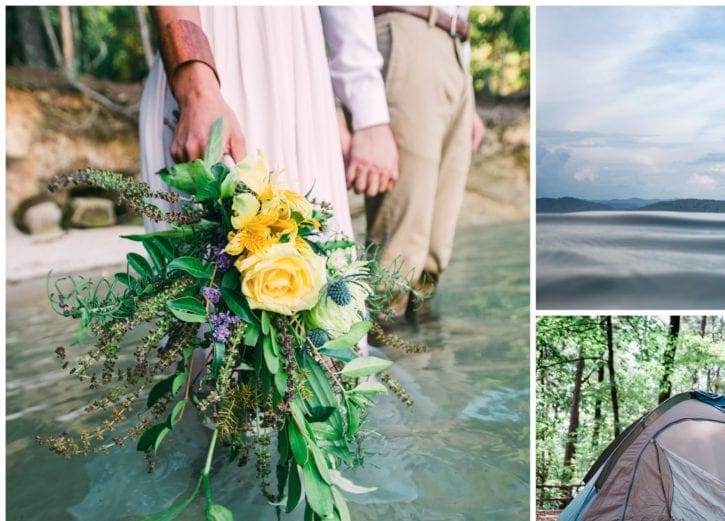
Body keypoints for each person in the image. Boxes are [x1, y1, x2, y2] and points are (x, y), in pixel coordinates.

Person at [139, 6, 398, 237]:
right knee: (213, 269)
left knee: (318, 265)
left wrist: (342, 110)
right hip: (210, 50)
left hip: (298, 68)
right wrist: (197, 90)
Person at [365, 6, 486, 319]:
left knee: (436, 248)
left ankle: (425, 360)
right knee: (399, 247)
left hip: (456, 44)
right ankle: (382, 358)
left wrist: (467, 89)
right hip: (407, 26)